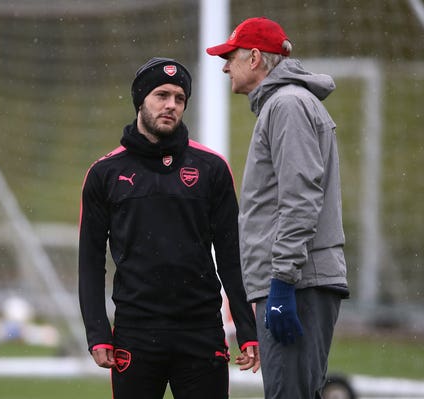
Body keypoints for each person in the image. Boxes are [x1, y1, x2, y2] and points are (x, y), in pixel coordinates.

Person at [78, 57, 259, 399]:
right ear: (141, 99)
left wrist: (248, 330)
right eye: (161, 95)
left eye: (179, 98)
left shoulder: (212, 169)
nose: (171, 105)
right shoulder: (104, 174)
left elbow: (232, 256)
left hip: (202, 332)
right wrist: (97, 332)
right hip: (136, 333)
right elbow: (89, 261)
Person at [206, 17, 349, 399]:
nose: (224, 66)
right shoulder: (285, 104)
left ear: (254, 58)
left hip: (297, 281)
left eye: (230, 57)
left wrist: (282, 281)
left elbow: (300, 198)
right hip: (296, 279)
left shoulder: (286, 105)